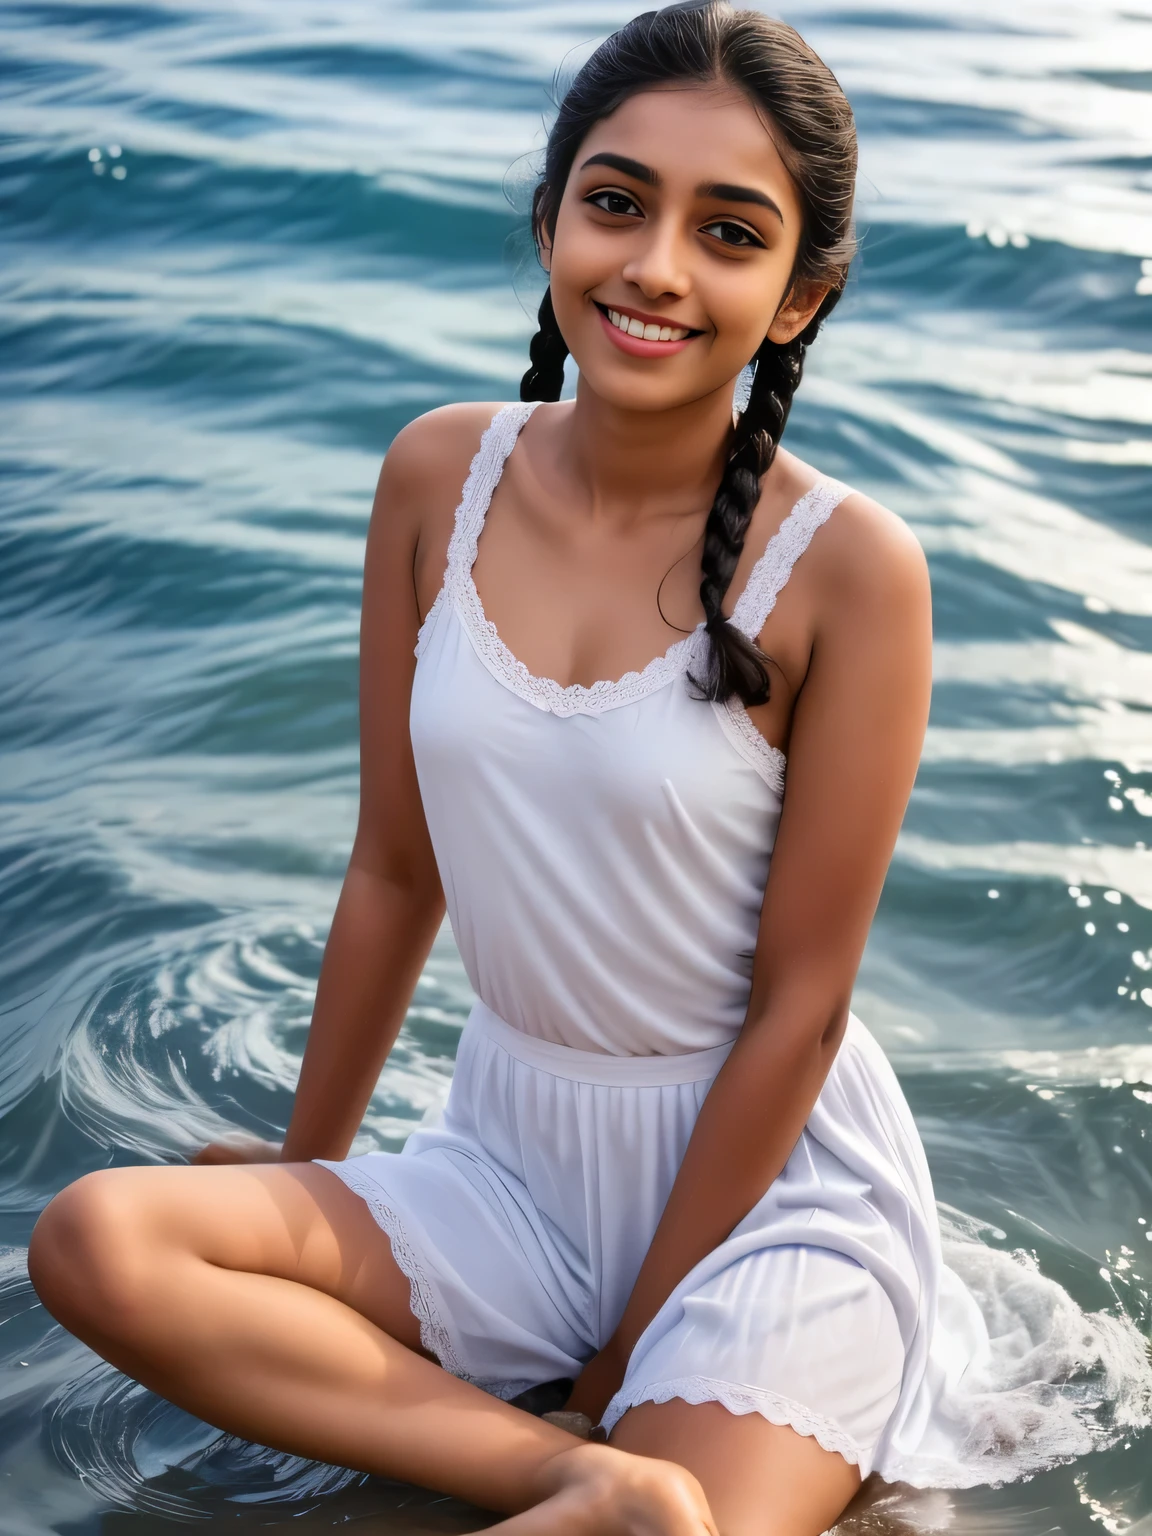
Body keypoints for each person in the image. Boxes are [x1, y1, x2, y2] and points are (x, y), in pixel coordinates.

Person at [27, 5, 1006, 1532]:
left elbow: (800, 1013)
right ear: (551, 216)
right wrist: (308, 1174)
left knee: (681, 1504)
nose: (657, 267)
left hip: (763, 1206)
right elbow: (391, 871)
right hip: (508, 1160)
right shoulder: (438, 474)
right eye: (616, 202)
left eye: (728, 233)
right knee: (96, 1241)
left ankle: (618, 1453)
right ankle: (557, 1470)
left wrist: (631, 1343)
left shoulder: (852, 571)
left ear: (801, 298)